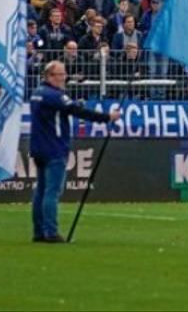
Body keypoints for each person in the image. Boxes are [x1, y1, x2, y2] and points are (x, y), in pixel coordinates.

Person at [29, 61, 120, 243]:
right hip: (54, 148)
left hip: (38, 147)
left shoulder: (37, 93)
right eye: (59, 74)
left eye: (64, 74)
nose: (63, 78)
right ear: (49, 76)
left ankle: (39, 231)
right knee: (52, 191)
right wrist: (106, 118)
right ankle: (50, 232)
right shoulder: (54, 96)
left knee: (41, 190)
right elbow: (77, 111)